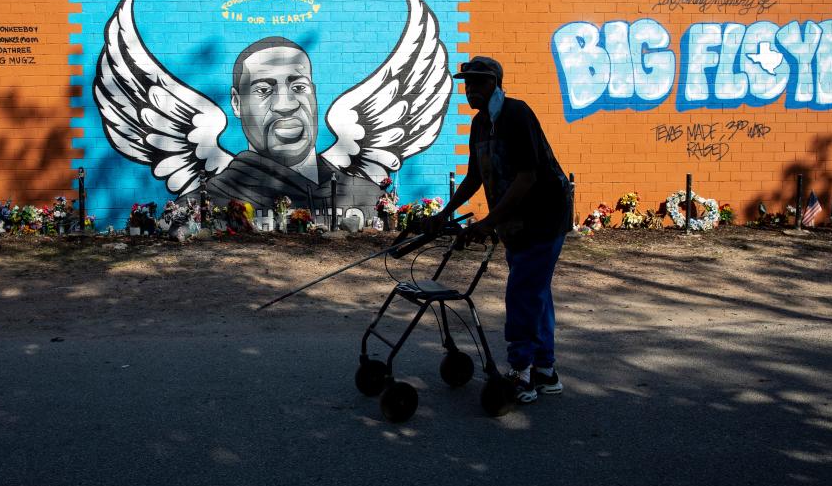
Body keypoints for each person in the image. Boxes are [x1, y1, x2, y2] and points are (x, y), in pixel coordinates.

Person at [423, 56, 570, 404]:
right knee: (535, 291)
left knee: (522, 293)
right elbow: (475, 177)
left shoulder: (516, 115)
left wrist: (488, 223)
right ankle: (546, 372)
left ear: (496, 84)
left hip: (544, 216)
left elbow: (527, 177)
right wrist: (445, 213)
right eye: (467, 83)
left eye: (478, 83)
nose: (470, 89)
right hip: (516, 222)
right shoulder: (479, 124)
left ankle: (521, 373)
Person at [180, 37, 380, 219]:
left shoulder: (369, 196)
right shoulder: (208, 201)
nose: (286, 105)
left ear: (314, 94)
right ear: (236, 103)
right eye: (264, 90)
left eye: (299, 88)